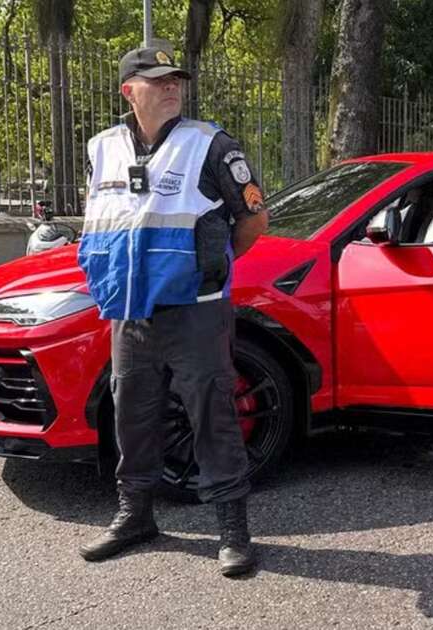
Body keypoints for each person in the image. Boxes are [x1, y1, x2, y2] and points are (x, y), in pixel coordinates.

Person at [75, 42, 269, 577]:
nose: (171, 87)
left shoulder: (210, 145)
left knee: (213, 414)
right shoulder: (101, 148)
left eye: (175, 80)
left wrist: (213, 266)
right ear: (128, 91)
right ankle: (135, 516)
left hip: (196, 311)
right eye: (158, 80)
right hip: (131, 312)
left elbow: (253, 219)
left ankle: (233, 531)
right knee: (131, 416)